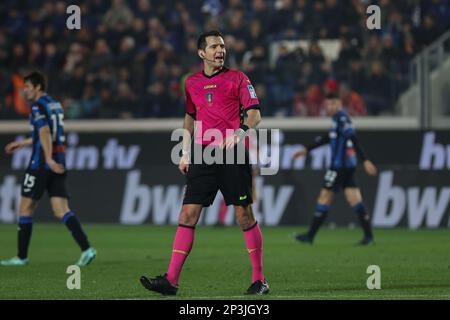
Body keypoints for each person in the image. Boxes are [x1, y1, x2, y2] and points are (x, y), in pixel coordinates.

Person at [139, 30, 269, 295]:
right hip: (203, 154)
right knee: (187, 214)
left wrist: (239, 134)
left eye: (222, 46)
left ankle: (259, 280)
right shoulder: (191, 83)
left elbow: (255, 115)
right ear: (201, 53)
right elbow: (190, 117)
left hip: (232, 154)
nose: (220, 50)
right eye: (214, 47)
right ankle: (171, 281)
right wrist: (185, 151)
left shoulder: (238, 78)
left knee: (243, 215)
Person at [0, 71, 96, 267]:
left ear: (37, 87)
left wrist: (47, 158)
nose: (24, 91)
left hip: (41, 163)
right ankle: (87, 249)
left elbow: (44, 131)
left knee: (25, 208)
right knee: (61, 210)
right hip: (58, 161)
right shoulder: (55, 104)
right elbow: (49, 132)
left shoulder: (37, 106)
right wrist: (25, 143)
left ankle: (21, 257)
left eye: (27, 87)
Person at [292, 91, 377, 245]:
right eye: (327, 104)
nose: (329, 107)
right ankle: (369, 236)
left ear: (339, 104)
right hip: (347, 167)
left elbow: (353, 138)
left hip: (339, 167)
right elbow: (328, 137)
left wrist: (365, 160)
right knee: (354, 199)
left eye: (332, 103)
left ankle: (310, 236)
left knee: (324, 197)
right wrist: (307, 149)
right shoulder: (336, 121)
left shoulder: (342, 118)